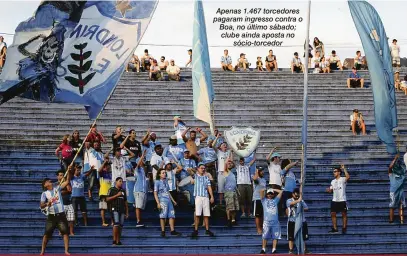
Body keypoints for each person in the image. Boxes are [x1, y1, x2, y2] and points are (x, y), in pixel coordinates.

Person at [40, 169, 72, 255]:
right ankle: (42, 251)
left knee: (65, 233)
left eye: (49, 181)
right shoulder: (44, 194)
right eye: (47, 182)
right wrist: (48, 203)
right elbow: (41, 206)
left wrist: (68, 171)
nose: (49, 182)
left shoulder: (57, 188)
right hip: (51, 216)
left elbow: (67, 181)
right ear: (45, 185)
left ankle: (66, 250)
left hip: (61, 214)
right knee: (46, 234)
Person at [154, 169, 182, 237]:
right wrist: (158, 203)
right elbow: (155, 193)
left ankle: (172, 231)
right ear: (159, 174)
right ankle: (163, 231)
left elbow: (168, 192)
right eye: (163, 173)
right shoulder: (157, 182)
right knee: (162, 216)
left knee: (172, 215)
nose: (164, 174)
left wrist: (173, 201)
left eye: (165, 173)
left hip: (169, 200)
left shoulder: (166, 181)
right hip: (162, 200)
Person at [191, 163, 215, 237]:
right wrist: (196, 170)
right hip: (198, 196)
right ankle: (196, 230)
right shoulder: (195, 176)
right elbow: (189, 170)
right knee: (197, 214)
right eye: (201, 168)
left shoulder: (206, 177)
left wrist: (211, 196)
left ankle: (207, 229)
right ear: (198, 169)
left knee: (206, 214)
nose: (203, 169)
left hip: (205, 196)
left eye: (204, 168)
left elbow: (209, 187)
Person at [326, 164, 350, 234]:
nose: (334, 173)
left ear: (339, 172)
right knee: (333, 214)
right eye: (333, 172)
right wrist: (328, 190)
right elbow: (331, 190)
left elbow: (348, 177)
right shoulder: (332, 181)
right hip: (334, 200)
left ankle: (344, 227)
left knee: (344, 214)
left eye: (335, 171)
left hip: (342, 199)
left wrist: (344, 168)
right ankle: (335, 228)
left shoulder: (342, 179)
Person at [259, 188, 283, 254]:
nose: (270, 195)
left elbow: (281, 192)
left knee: (275, 236)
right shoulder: (264, 200)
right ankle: (263, 249)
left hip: (275, 222)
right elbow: (260, 191)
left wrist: (273, 189)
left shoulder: (276, 200)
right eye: (268, 193)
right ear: (266, 194)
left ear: (273, 195)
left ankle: (274, 249)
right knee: (264, 236)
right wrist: (266, 189)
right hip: (266, 222)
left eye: (271, 194)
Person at [286, 188, 310, 254]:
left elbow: (306, 208)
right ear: (292, 194)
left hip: (301, 221)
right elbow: (290, 204)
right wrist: (298, 201)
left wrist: (300, 207)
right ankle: (290, 250)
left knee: (302, 236)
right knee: (291, 236)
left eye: (298, 195)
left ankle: (304, 249)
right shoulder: (289, 200)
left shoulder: (301, 200)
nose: (296, 196)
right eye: (295, 195)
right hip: (292, 221)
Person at [107, 177, 129, 245]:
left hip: (122, 210)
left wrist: (127, 212)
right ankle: (114, 240)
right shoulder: (111, 189)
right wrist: (117, 195)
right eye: (120, 181)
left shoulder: (123, 191)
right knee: (116, 224)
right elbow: (107, 199)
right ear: (116, 182)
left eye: (122, 181)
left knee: (121, 226)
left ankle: (118, 240)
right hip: (114, 209)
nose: (121, 183)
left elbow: (125, 202)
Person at [56, 170, 75, 236]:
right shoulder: (56, 184)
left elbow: (70, 190)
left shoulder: (66, 183)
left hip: (69, 203)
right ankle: (61, 231)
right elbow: (58, 193)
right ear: (57, 176)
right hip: (61, 204)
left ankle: (71, 232)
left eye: (63, 175)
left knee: (71, 219)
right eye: (60, 175)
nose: (62, 176)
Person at [388, 154, 405, 224]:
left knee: (401, 206)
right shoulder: (391, 173)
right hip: (393, 192)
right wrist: (395, 159)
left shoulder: (402, 174)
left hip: (400, 191)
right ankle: (391, 220)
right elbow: (390, 167)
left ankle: (401, 220)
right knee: (392, 206)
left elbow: (404, 168)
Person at [133, 151, 148, 227]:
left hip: (143, 191)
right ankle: (138, 221)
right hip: (138, 190)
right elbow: (138, 164)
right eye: (142, 160)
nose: (143, 161)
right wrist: (142, 156)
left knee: (140, 206)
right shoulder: (137, 169)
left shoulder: (143, 170)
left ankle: (140, 220)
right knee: (138, 206)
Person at [223, 158, 238, 227]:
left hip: (234, 191)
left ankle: (233, 219)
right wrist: (227, 161)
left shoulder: (232, 172)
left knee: (234, 207)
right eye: (228, 164)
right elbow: (225, 165)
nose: (229, 164)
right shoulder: (225, 172)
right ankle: (228, 220)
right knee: (229, 207)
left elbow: (234, 165)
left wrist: (231, 161)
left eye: (230, 164)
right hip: (228, 191)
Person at [98, 155, 112, 227]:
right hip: (103, 193)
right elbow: (99, 170)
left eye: (108, 166)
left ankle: (112, 221)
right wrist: (104, 162)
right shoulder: (102, 174)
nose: (108, 167)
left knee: (111, 208)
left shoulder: (110, 174)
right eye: (106, 166)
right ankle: (103, 222)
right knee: (103, 208)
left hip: (110, 194)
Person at [252, 166, 267, 235]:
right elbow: (254, 178)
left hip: (263, 199)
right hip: (257, 199)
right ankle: (258, 229)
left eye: (263, 171)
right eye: (261, 171)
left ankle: (262, 228)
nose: (262, 172)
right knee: (257, 215)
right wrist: (257, 171)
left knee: (262, 215)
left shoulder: (264, 180)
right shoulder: (256, 178)